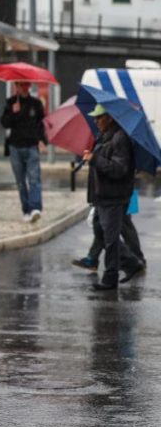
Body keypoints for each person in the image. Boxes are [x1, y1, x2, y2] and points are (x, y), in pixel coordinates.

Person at [82, 104, 144, 290]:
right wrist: (91, 157)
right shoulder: (104, 136)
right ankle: (131, 262)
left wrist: (95, 159)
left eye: (99, 117)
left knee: (110, 238)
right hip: (101, 196)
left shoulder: (120, 138)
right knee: (102, 232)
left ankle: (110, 278)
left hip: (114, 197)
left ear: (110, 117)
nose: (96, 121)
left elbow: (119, 169)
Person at [0, 81, 47, 223]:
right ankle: (26, 209)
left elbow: (41, 124)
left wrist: (43, 140)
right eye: (20, 85)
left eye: (26, 84)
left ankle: (35, 208)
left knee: (34, 179)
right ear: (16, 86)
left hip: (32, 146)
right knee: (20, 181)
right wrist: (14, 113)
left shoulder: (36, 104)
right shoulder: (11, 103)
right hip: (15, 147)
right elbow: (4, 123)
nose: (23, 87)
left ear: (29, 86)